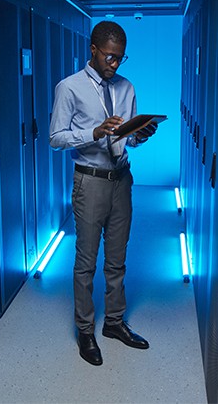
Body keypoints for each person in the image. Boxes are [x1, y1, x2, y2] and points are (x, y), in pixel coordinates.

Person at [49, 20, 158, 366]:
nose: (114, 64)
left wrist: (140, 134)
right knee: (86, 262)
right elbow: (55, 138)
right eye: (109, 57)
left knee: (117, 259)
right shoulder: (69, 88)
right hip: (90, 181)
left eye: (120, 59)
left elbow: (128, 138)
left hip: (122, 179)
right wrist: (94, 132)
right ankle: (85, 329)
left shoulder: (127, 87)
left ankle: (114, 323)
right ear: (93, 50)